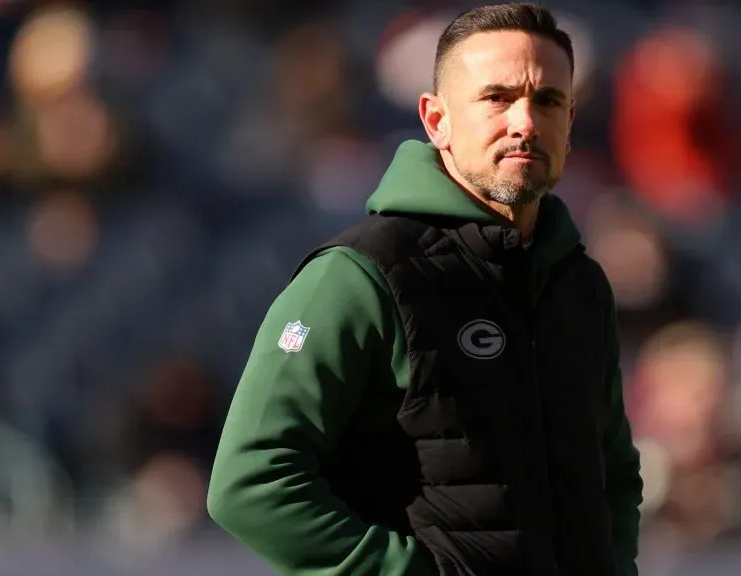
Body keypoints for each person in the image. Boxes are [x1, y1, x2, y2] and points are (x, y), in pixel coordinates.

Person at [206, 4, 643, 575]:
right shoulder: (359, 275)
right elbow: (251, 482)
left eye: (548, 101)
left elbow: (613, 474)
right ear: (437, 121)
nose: (525, 122)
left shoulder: (579, 284)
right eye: (496, 98)